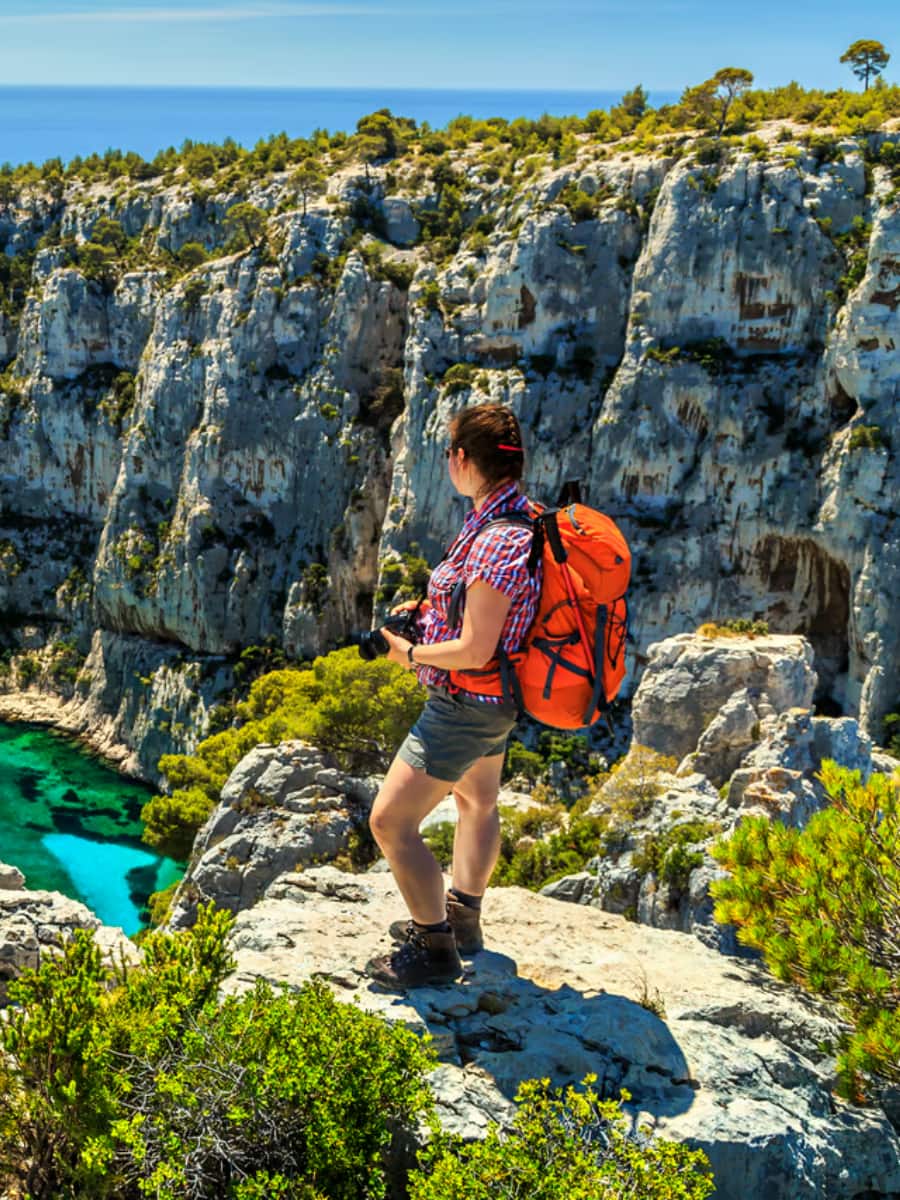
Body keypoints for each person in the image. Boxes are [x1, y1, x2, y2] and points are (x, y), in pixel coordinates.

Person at [365, 403, 541, 990]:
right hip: (494, 703)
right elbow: (482, 613)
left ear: (463, 458)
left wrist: (409, 654)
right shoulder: (511, 516)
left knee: (391, 822)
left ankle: (434, 947)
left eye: (447, 453)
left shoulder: (499, 539)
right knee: (477, 801)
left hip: (464, 704)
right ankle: (462, 919)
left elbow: (474, 648)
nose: (446, 463)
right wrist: (427, 612)